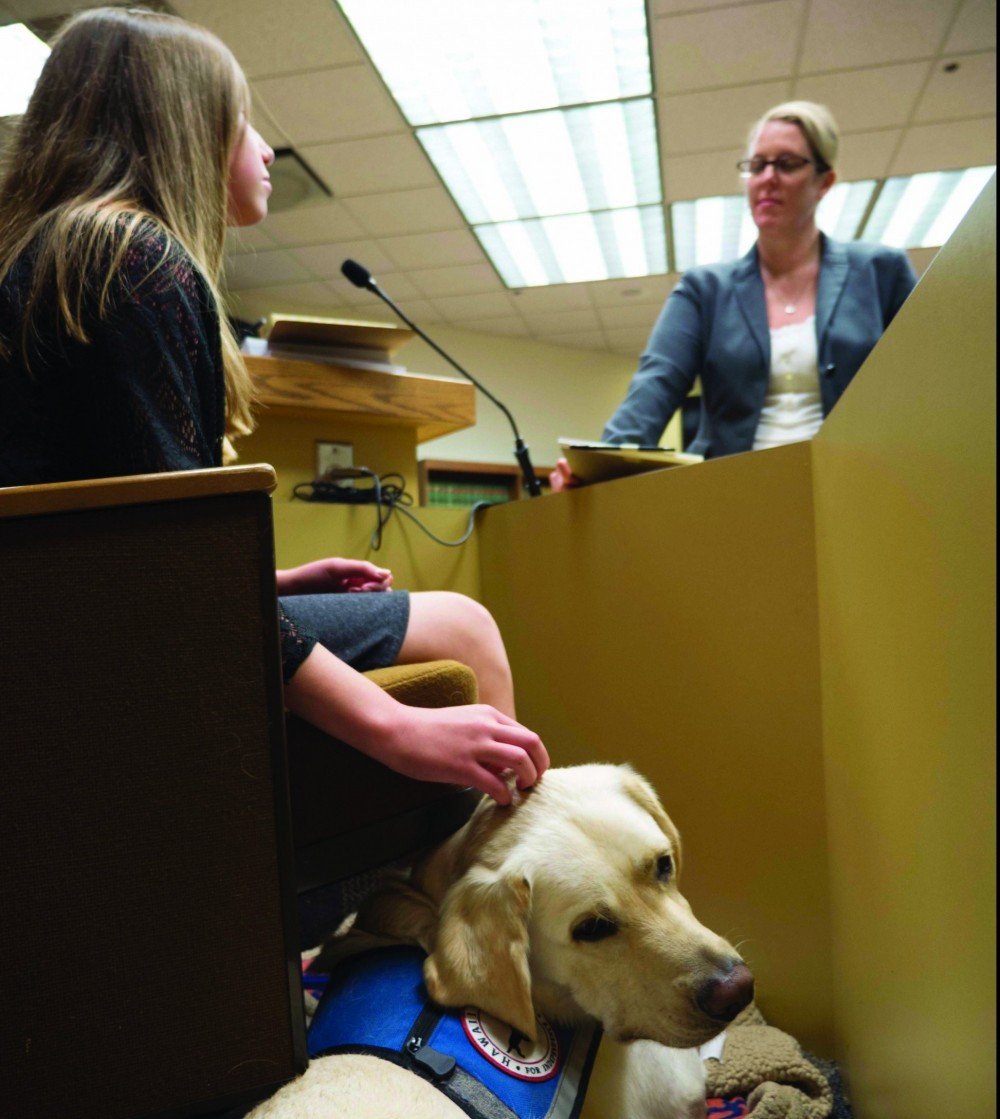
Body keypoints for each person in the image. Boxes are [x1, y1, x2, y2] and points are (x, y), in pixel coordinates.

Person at [0, 6, 548, 805]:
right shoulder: (136, 256)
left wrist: (276, 580)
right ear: (186, 128)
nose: (263, 150)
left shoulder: (64, 250)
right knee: (465, 627)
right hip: (121, 654)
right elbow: (176, 570)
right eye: (244, 121)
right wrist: (392, 726)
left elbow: (120, 531)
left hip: (75, 634)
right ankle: (487, 896)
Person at [550, 100, 917, 488]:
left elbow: (927, 385)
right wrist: (598, 468)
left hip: (857, 490)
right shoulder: (704, 291)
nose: (768, 178)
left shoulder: (880, 272)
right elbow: (655, 385)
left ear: (824, 182)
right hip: (737, 498)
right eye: (757, 165)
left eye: (788, 163)